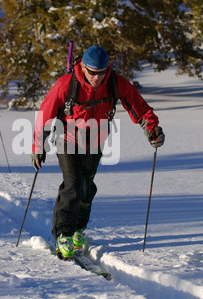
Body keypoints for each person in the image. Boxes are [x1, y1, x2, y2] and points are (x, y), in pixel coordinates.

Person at [31, 45, 165, 259]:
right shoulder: (66, 84)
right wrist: (38, 147)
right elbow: (45, 114)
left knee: (86, 188)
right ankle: (63, 235)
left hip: (96, 141)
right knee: (72, 186)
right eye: (92, 72)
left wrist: (152, 128)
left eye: (101, 73)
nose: (96, 78)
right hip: (68, 139)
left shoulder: (114, 82)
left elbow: (140, 108)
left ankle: (77, 231)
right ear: (83, 66)